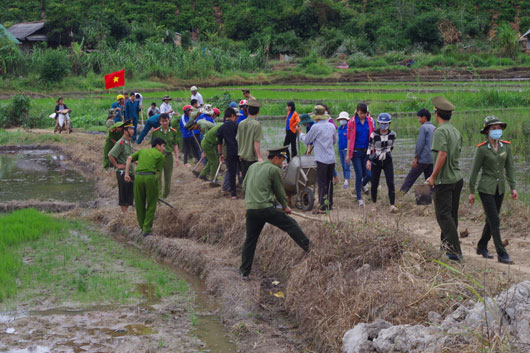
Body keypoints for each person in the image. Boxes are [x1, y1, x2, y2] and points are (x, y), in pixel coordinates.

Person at [239, 146, 311, 279]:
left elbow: (244, 185)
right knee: (291, 225)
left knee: (250, 240)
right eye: (282, 160)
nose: (283, 163)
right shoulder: (274, 169)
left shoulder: (253, 166)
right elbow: (279, 191)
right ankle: (310, 249)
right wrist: (285, 206)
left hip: (251, 209)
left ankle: (244, 272)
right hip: (265, 209)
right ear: (275, 158)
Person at [468, 116, 517, 264]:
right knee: (495, 220)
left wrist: (513, 187)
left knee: (491, 219)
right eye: (493, 128)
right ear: (487, 131)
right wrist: (471, 191)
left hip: (500, 188)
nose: (497, 131)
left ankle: (481, 246)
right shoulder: (482, 149)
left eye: (499, 128)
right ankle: (502, 253)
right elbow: (474, 171)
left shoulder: (506, 146)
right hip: (486, 189)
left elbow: (509, 168)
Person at [426, 96, 463, 262]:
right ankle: (446, 247)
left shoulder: (440, 131)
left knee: (443, 215)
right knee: (451, 215)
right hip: (457, 178)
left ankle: (455, 252)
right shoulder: (455, 131)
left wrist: (433, 176)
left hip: (444, 180)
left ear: (436, 114)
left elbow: (442, 154)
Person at [299, 105, 337, 214]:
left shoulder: (315, 127)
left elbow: (307, 140)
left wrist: (300, 133)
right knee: (329, 182)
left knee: (322, 183)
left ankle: (322, 207)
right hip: (331, 158)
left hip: (321, 159)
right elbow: (334, 141)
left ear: (317, 117)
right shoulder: (331, 126)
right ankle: (329, 204)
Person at [125, 137, 166, 237]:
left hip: (138, 177)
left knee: (139, 203)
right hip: (150, 178)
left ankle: (141, 226)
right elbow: (158, 172)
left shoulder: (142, 151)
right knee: (151, 203)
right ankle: (147, 229)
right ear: (157, 146)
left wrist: (127, 174)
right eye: (163, 146)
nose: (163, 149)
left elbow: (129, 158)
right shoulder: (160, 156)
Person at [366, 113, 397, 212]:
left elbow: (392, 147)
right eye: (381, 123)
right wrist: (368, 160)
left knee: (390, 182)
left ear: (389, 124)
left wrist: (386, 153)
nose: (383, 125)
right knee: (374, 182)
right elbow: (370, 148)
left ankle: (392, 204)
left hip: (387, 159)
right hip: (376, 159)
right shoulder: (374, 135)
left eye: (386, 123)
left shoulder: (393, 134)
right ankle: (374, 204)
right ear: (379, 123)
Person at [345, 103, 375, 207]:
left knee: (369, 174)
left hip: (367, 151)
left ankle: (362, 185)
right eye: (361, 113)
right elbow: (349, 139)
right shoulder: (352, 122)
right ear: (357, 111)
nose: (363, 115)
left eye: (364, 113)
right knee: (359, 174)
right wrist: (348, 154)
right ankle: (359, 198)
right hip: (356, 152)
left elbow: (373, 136)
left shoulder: (370, 121)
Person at [400, 108, 435, 194]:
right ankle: (433, 198)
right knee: (430, 180)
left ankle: (400, 195)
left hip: (423, 159)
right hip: (432, 159)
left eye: (419, 118)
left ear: (424, 118)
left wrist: (416, 157)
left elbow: (420, 144)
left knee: (410, 178)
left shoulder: (423, 128)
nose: (418, 120)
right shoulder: (434, 128)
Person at [108, 120, 135, 214]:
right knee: (123, 195)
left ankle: (127, 214)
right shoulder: (121, 143)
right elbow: (110, 155)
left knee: (129, 195)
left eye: (133, 129)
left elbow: (130, 156)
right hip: (123, 173)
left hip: (130, 172)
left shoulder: (129, 142)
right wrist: (117, 165)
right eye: (130, 129)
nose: (132, 131)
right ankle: (125, 216)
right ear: (125, 131)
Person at [151, 114, 180, 198]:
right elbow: (151, 145)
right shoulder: (155, 132)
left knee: (168, 177)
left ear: (169, 120)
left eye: (166, 121)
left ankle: (165, 195)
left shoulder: (173, 132)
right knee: (157, 177)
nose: (164, 123)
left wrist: (177, 157)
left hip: (168, 157)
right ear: (160, 122)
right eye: (162, 121)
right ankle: (159, 195)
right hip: (157, 157)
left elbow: (175, 145)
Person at [236, 99, 263, 180]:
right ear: (258, 112)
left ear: (247, 110)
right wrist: (259, 157)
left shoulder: (241, 123)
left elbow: (237, 139)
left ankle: (245, 192)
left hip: (242, 157)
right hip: (251, 158)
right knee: (253, 179)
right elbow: (256, 142)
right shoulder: (256, 124)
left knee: (245, 179)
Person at [218, 108, 239, 199]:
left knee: (231, 172)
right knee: (241, 170)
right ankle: (243, 187)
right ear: (232, 116)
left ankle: (233, 194)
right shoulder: (236, 125)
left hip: (229, 152)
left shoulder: (221, 128)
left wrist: (220, 154)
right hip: (238, 151)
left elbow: (219, 143)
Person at [336, 112, 350, 189]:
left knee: (346, 165)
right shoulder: (340, 128)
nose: (342, 120)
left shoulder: (349, 128)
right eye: (341, 119)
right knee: (342, 164)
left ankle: (346, 180)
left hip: (346, 149)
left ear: (346, 120)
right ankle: (345, 178)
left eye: (343, 119)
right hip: (340, 148)